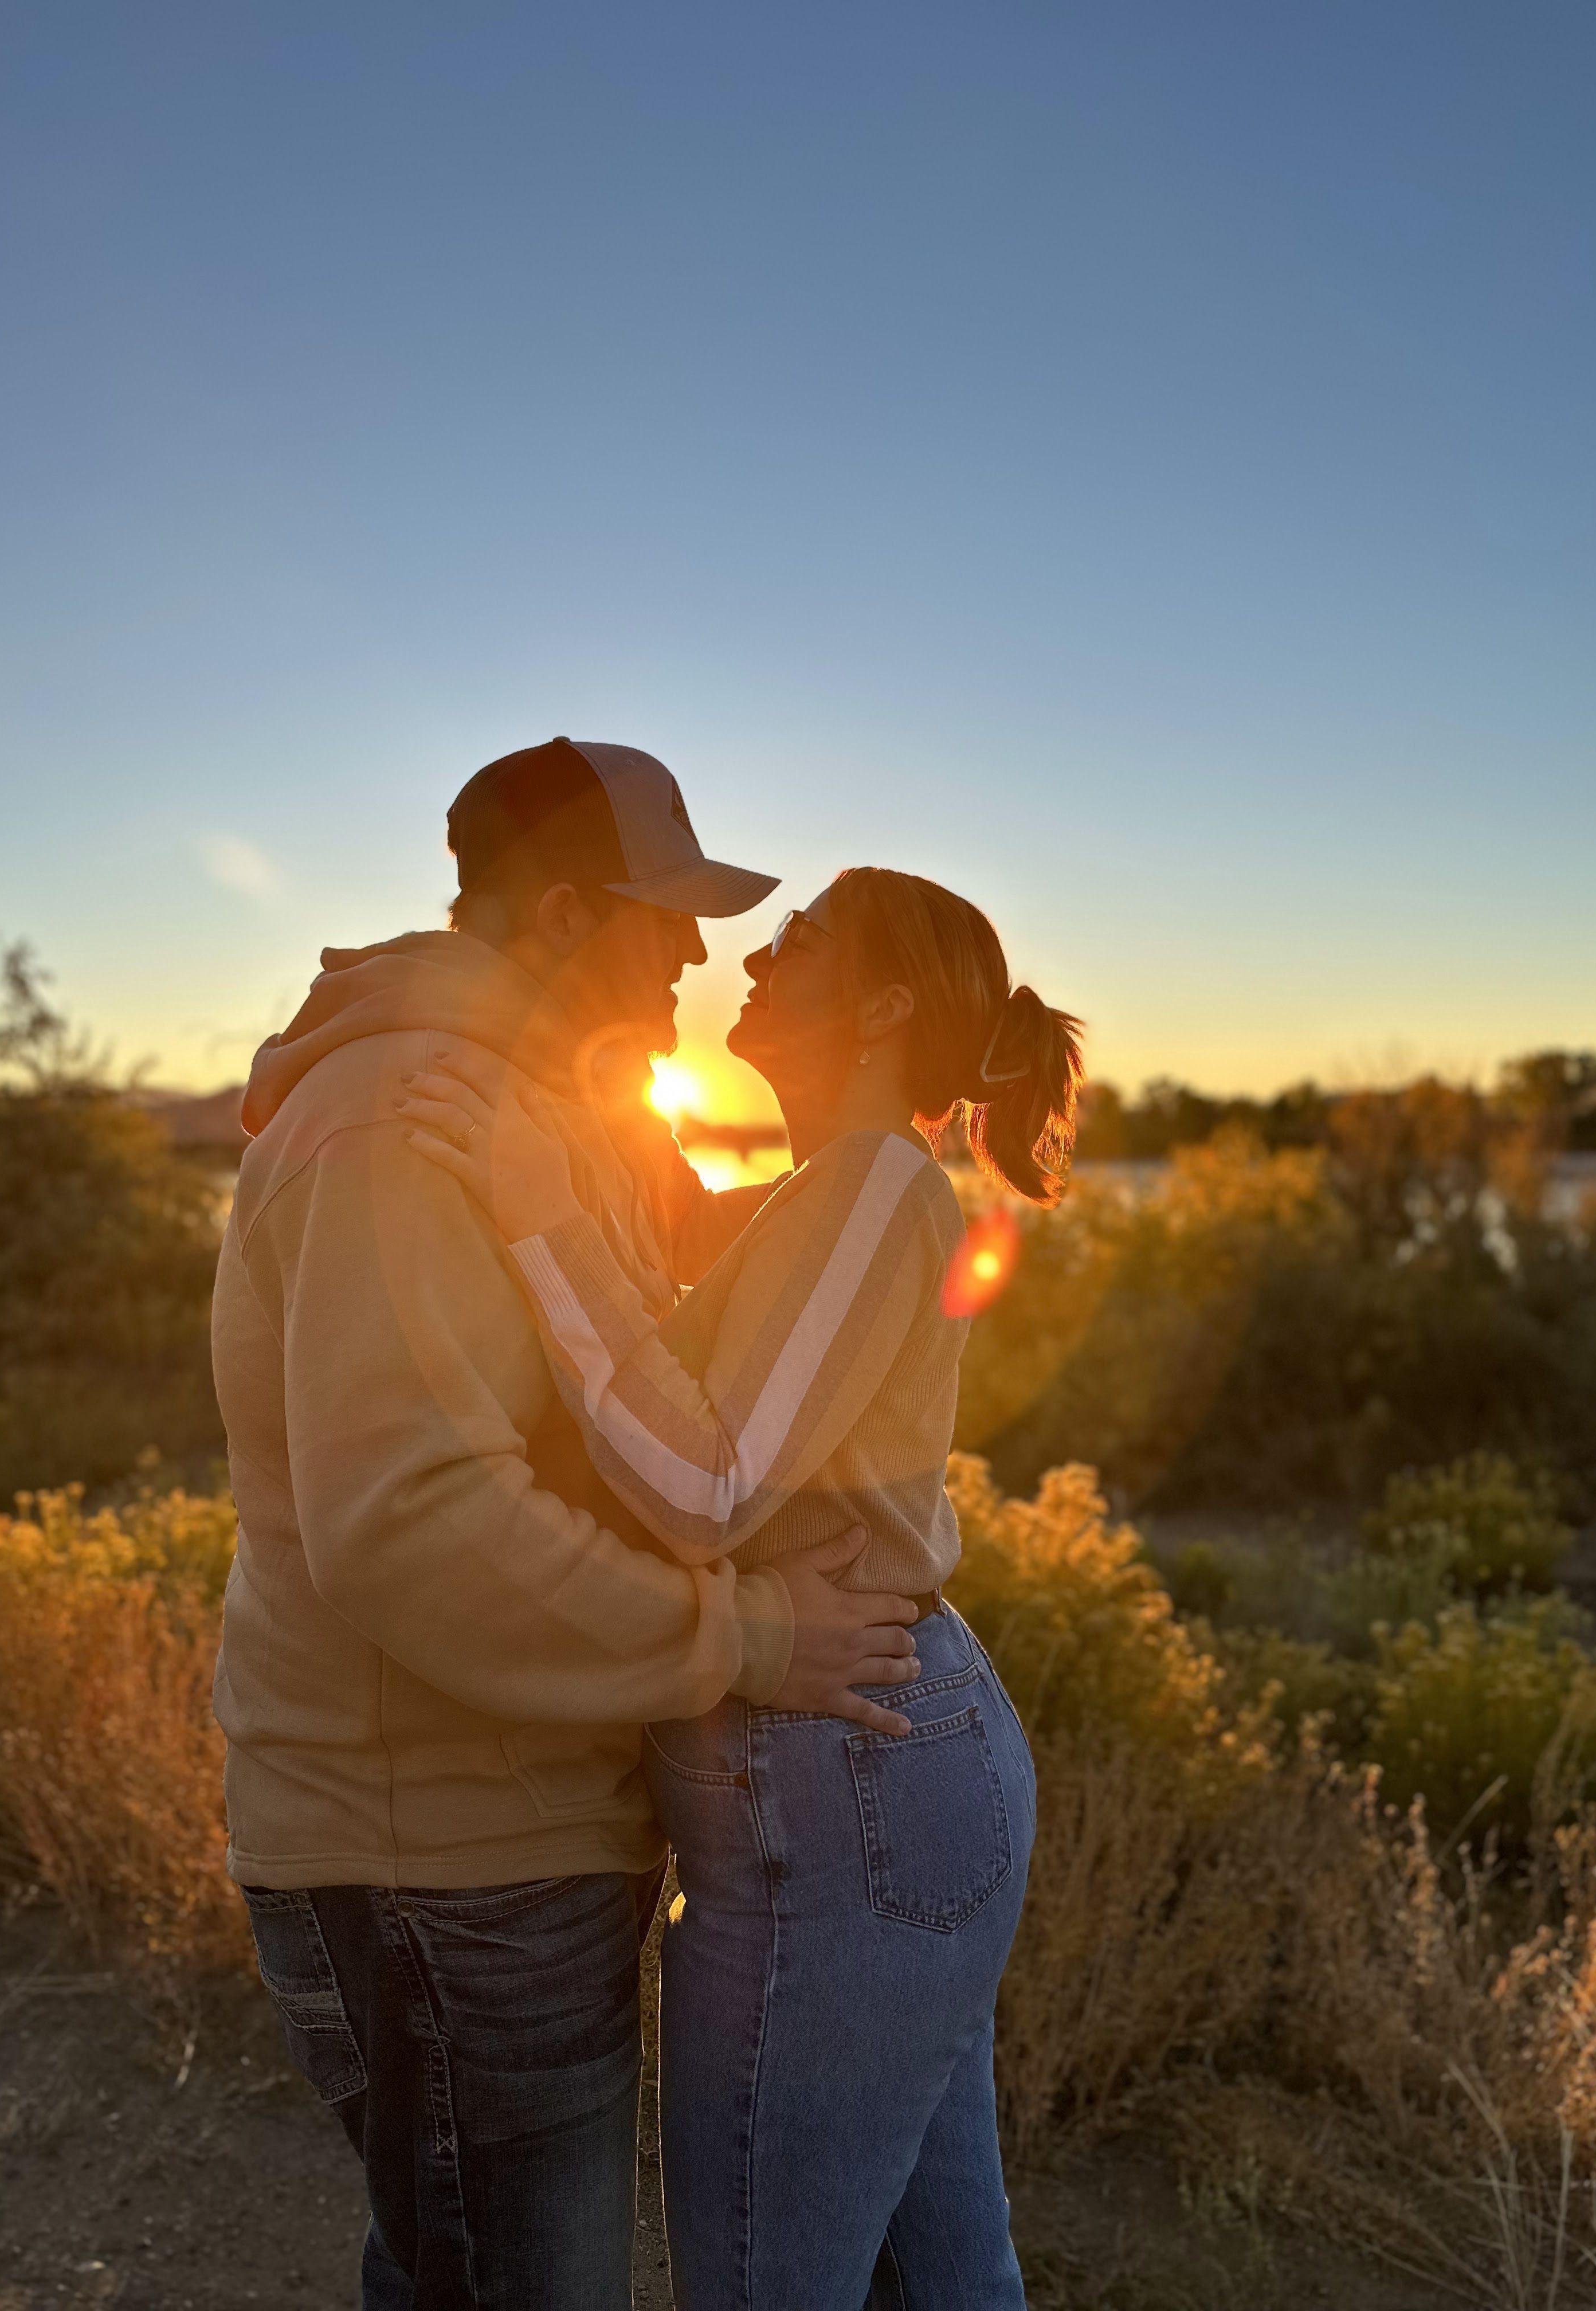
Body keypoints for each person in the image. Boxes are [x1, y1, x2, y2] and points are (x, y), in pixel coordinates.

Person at [211, 739, 926, 2311]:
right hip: (442, 1863)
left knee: (448, 2267)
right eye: (657, 912)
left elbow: (672, 1333)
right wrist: (747, 1640)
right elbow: (413, 1522)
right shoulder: (408, 1118)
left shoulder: (555, 1110)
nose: (694, 948)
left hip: (510, 1828)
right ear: (549, 916)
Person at [401, 863, 1083, 2310]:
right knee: (948, 2279)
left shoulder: (879, 1185)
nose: (755, 958)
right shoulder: (818, 1197)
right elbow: (662, 1309)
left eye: (804, 939)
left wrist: (535, 1217)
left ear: (886, 1002)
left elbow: (707, 1490)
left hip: (849, 1791)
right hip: (860, 1776)